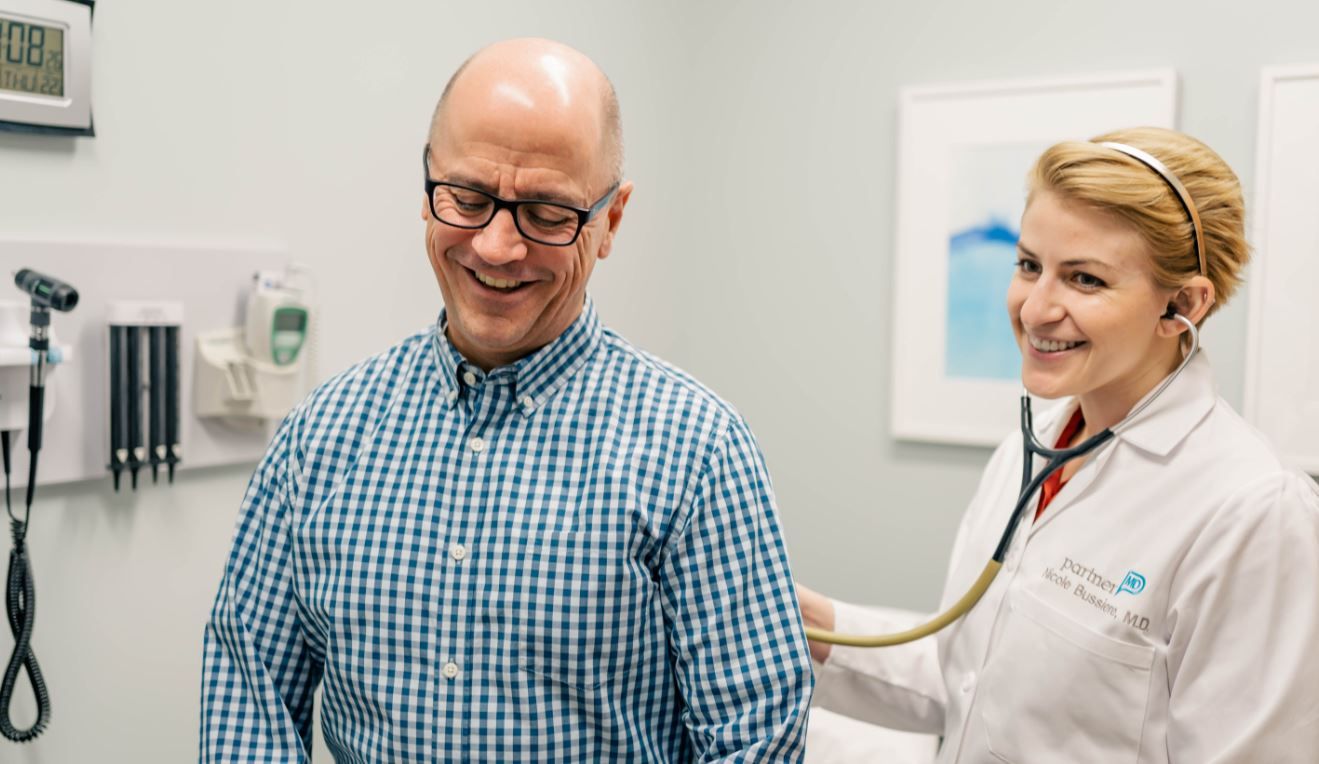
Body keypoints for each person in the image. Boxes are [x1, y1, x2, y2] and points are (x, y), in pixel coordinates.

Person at [201, 38, 813, 762]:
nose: (495, 247)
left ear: (610, 221)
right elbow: (249, 703)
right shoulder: (320, 439)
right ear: (426, 188)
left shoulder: (697, 451)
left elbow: (755, 740)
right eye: (466, 198)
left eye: (548, 213)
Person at [800, 127, 1319, 762]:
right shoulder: (1036, 448)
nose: (1035, 309)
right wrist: (810, 624)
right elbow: (973, 678)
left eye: (1084, 280)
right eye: (1028, 266)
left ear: (1182, 303)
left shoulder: (1253, 511)